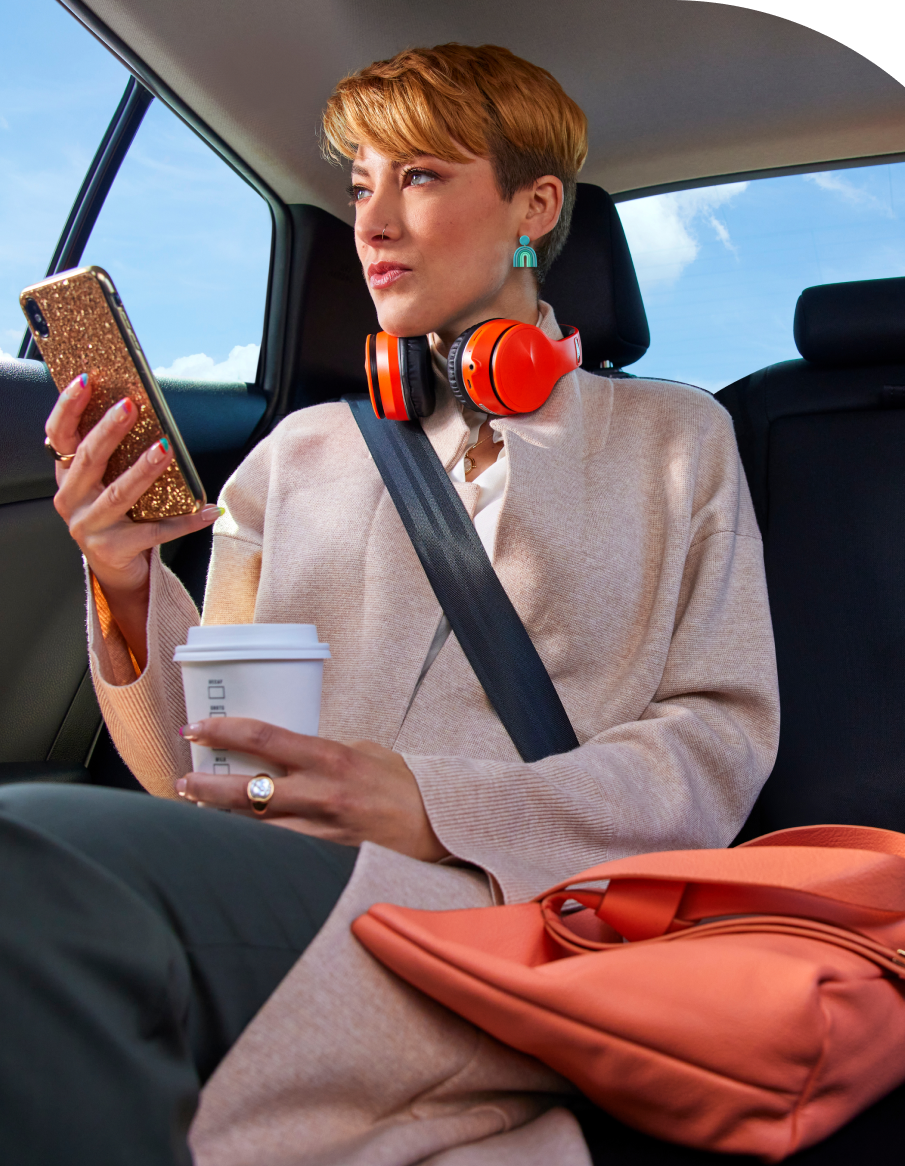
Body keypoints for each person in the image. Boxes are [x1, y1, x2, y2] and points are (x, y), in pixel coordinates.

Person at [0, 43, 778, 1166]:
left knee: (31, 864)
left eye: (419, 176)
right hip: (287, 879)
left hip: (525, 917)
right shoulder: (295, 454)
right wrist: (124, 580)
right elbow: (206, 761)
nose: (370, 221)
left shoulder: (675, 439)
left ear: (532, 208)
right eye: (360, 183)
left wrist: (435, 804)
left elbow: (719, 735)